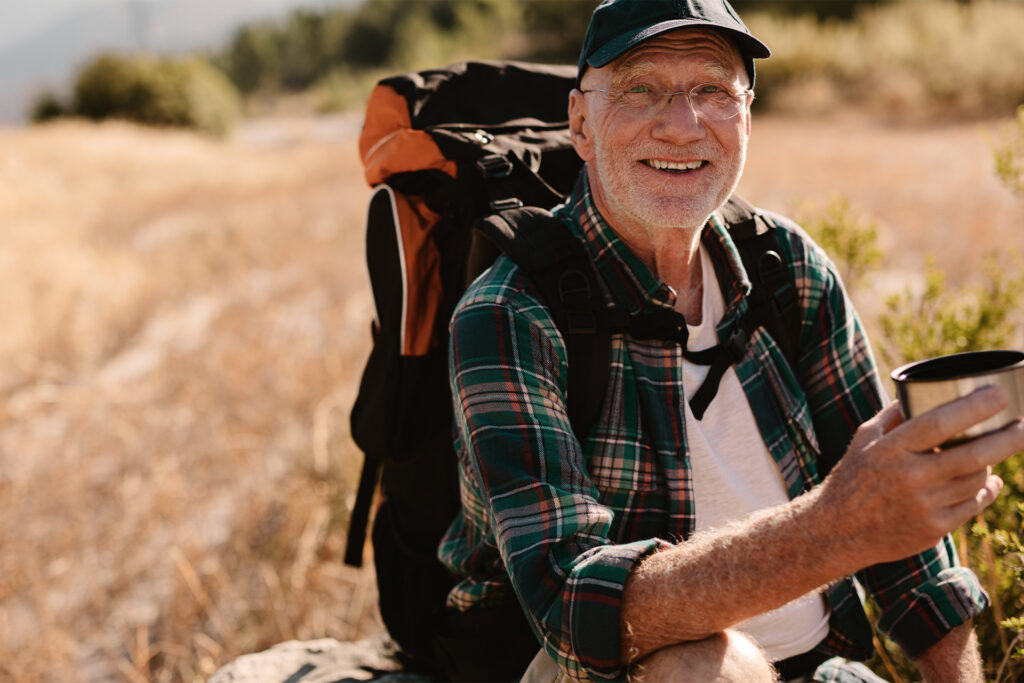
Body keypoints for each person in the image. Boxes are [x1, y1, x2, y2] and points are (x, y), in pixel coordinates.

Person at [436, 0, 1024, 681]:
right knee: (702, 666)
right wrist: (835, 526)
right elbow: (574, 609)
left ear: (745, 116)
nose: (683, 125)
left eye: (713, 90)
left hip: (821, 666)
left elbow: (904, 530)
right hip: (609, 674)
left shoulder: (786, 268)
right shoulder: (511, 313)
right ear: (580, 125)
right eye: (641, 89)